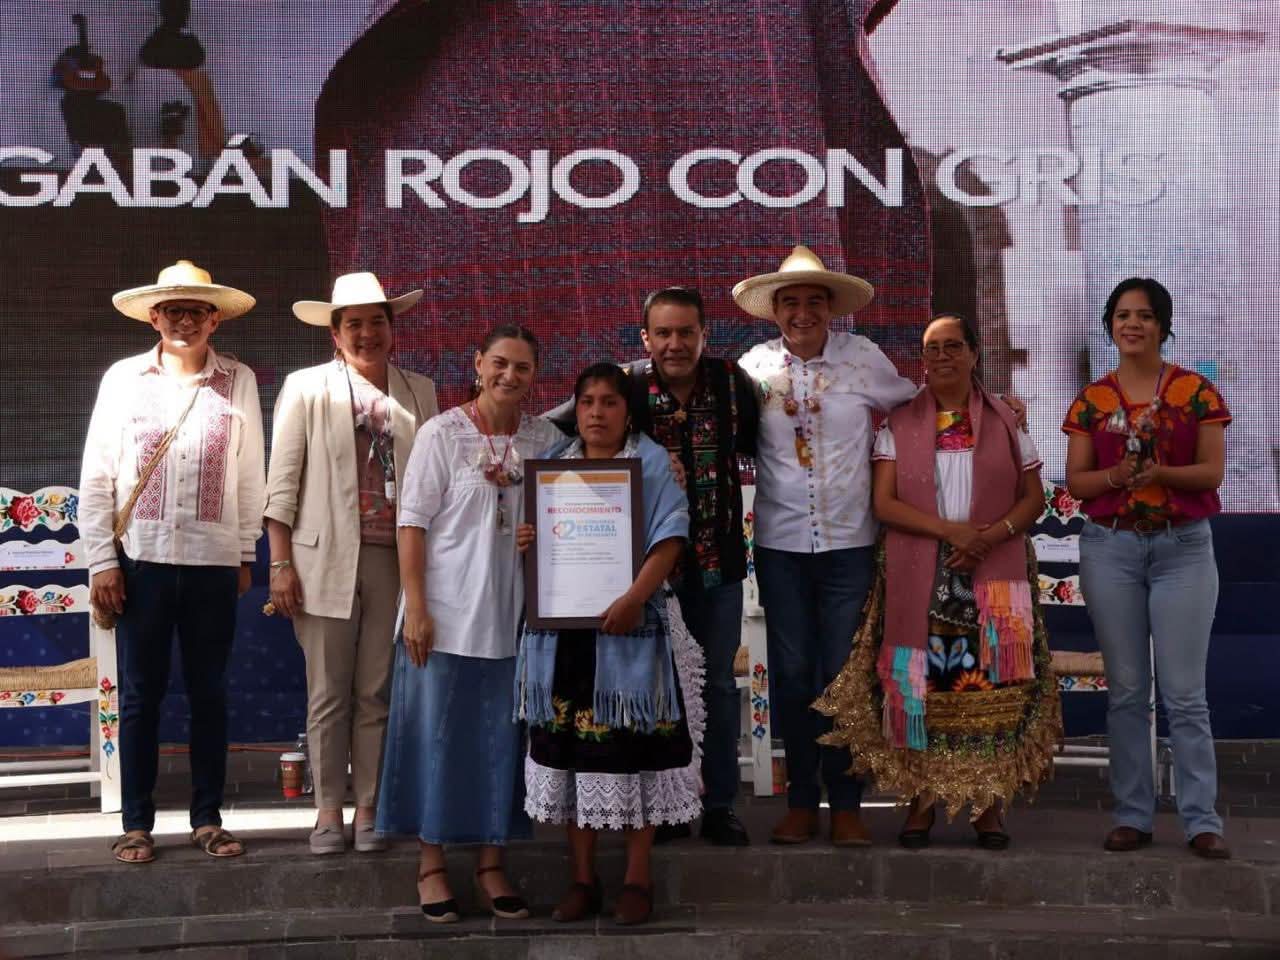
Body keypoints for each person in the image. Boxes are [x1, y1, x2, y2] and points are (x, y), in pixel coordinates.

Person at [814, 314, 1060, 848]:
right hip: (922, 575)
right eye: (932, 349)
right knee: (920, 691)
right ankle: (921, 803)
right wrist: (952, 534)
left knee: (993, 692)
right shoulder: (898, 424)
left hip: (993, 572)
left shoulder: (1005, 420)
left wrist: (989, 537)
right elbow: (884, 503)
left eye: (954, 346)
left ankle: (989, 807)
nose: (943, 356)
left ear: (975, 354)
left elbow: (1033, 498)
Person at [547, 286, 758, 846]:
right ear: (645, 338)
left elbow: (774, 445)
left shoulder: (735, 385)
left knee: (715, 684)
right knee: (655, 689)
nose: (674, 343)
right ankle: (663, 809)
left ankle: (717, 806)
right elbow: (553, 430)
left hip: (716, 565)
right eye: (662, 333)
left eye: (685, 332)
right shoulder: (626, 386)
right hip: (641, 575)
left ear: (703, 334)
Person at [735, 245, 919, 847]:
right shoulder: (753, 369)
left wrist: (994, 410)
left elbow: (919, 408)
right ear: (775, 311)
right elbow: (711, 425)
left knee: (844, 673)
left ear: (832, 309)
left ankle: (847, 805)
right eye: (791, 301)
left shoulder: (864, 359)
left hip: (849, 544)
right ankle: (799, 803)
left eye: (815, 300)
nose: (803, 311)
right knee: (791, 675)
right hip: (782, 544)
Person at [81, 259, 264, 864]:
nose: (184, 320)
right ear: (153, 317)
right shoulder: (123, 379)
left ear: (216, 319)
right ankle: (136, 823)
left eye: (197, 310)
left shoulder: (239, 380)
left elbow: (248, 473)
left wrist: (243, 552)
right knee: (140, 695)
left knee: (210, 692)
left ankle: (207, 818)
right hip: (143, 560)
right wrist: (103, 562)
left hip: (213, 563)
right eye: (173, 310)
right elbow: (99, 476)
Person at [376, 324, 561, 921]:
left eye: (523, 368)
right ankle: (431, 865)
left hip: (509, 618)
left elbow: (562, 518)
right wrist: (418, 608)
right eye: (499, 363)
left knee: (498, 744)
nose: (510, 376)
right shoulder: (442, 434)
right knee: (437, 739)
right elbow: (412, 523)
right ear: (477, 362)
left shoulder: (544, 440)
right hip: (445, 617)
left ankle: (490, 864)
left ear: (537, 376)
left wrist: (540, 536)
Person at [263, 272, 438, 855]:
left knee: (377, 690)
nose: (367, 333)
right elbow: (281, 485)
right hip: (322, 560)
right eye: (354, 324)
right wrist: (279, 564)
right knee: (328, 691)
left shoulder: (420, 392)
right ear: (335, 334)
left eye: (377, 321)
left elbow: (433, 484)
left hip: (396, 557)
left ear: (393, 327)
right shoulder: (307, 387)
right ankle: (327, 811)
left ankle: (369, 807)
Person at [515, 362, 697, 926]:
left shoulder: (648, 463)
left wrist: (636, 597)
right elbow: (546, 560)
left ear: (627, 410)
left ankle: (638, 880)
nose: (597, 412)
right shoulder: (556, 467)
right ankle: (583, 879)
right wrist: (531, 538)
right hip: (567, 639)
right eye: (587, 401)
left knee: (635, 756)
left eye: (610, 402)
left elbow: (671, 535)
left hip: (631, 636)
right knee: (573, 758)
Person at [1063, 277, 1232, 860]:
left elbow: (1211, 473)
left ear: (1162, 324)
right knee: (1128, 693)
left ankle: (1200, 819)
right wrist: (1118, 478)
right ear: (1110, 325)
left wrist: (1160, 475)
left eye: (1143, 315)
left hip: (1182, 548)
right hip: (1111, 548)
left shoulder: (1195, 392)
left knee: (1186, 695)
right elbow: (1078, 482)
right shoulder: (1092, 399)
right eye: (1121, 315)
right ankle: (1133, 815)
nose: (1131, 324)